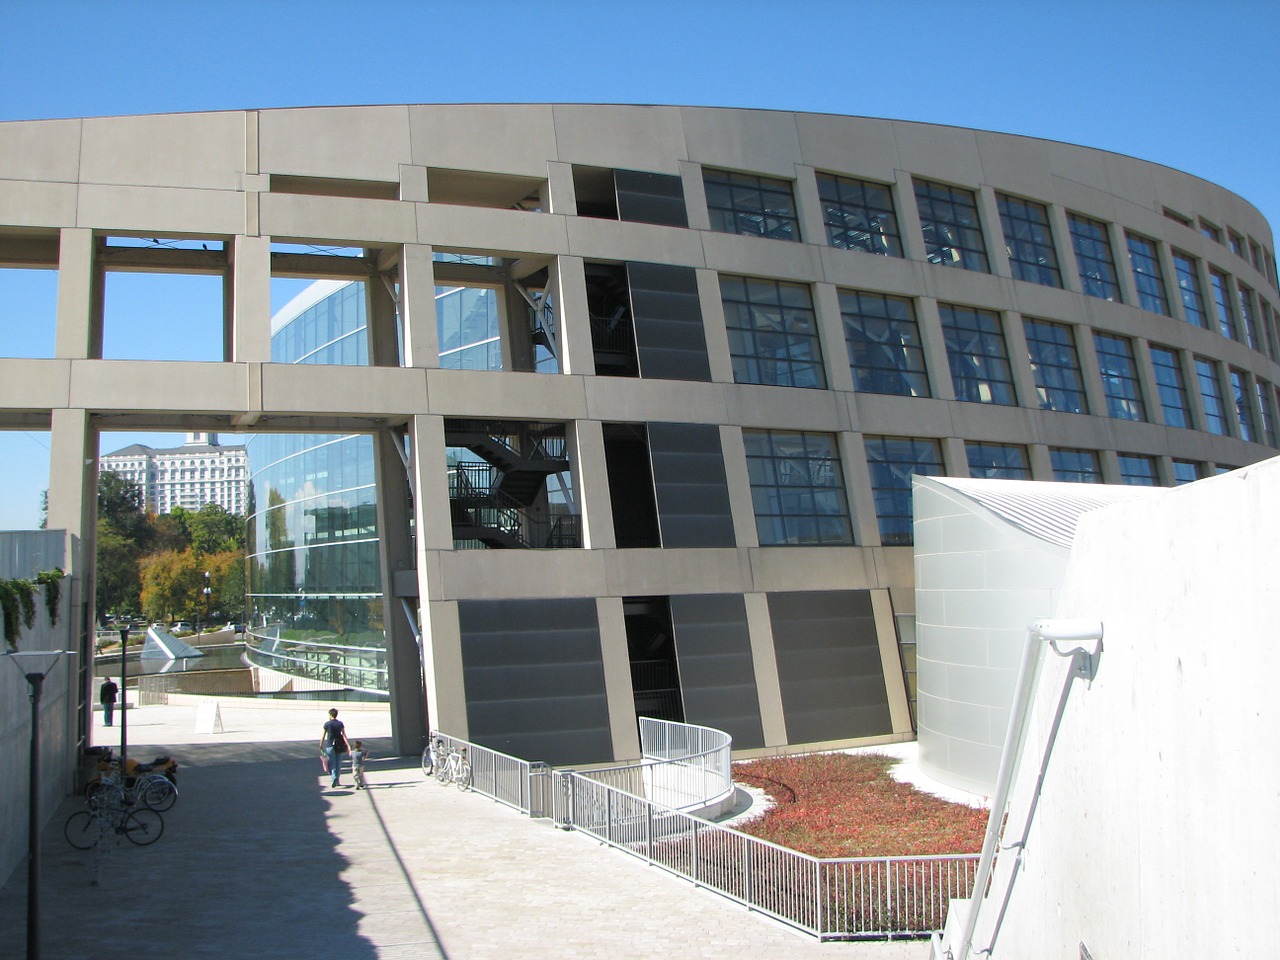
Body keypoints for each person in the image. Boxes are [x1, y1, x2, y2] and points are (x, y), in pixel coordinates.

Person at [319, 708, 349, 788]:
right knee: (338, 762)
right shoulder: (340, 723)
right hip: (339, 745)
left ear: (330, 714)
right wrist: (348, 745)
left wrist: (321, 744)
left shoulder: (327, 724)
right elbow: (344, 734)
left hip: (330, 745)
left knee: (332, 763)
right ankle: (337, 780)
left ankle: (334, 777)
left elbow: (323, 735)